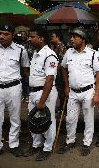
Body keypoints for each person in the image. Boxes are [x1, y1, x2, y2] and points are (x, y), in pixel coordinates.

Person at [57, 27, 99, 156]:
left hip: (88, 91)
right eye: (71, 37)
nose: (71, 39)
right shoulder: (68, 53)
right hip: (72, 92)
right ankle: (70, 141)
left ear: (82, 39)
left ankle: (87, 143)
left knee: (88, 119)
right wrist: (66, 86)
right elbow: (63, 68)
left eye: (75, 37)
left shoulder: (93, 53)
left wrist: (97, 94)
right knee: (70, 119)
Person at [23, 27, 59, 161]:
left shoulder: (49, 55)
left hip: (45, 92)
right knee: (33, 120)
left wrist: (42, 101)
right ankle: (36, 144)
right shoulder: (36, 53)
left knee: (48, 120)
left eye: (32, 37)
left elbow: (49, 80)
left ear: (41, 38)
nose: (29, 39)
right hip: (33, 92)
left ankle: (47, 148)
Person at [0, 25, 30, 157]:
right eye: (0, 33)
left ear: (12, 35)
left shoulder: (21, 50)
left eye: (5, 34)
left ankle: (14, 144)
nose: (2, 37)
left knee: (15, 118)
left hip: (14, 87)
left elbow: (26, 70)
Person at [50, 30, 67, 114]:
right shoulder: (54, 46)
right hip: (56, 72)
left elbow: (63, 61)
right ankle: (61, 107)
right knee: (58, 91)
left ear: (58, 37)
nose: (51, 38)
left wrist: (55, 69)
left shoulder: (61, 46)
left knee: (61, 91)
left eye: (53, 36)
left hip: (60, 73)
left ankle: (64, 109)